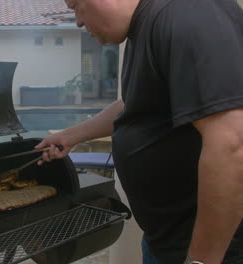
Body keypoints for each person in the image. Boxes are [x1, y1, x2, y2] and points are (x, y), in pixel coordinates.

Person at [35, 0, 243, 263]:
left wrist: (202, 259)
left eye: (75, 5)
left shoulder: (186, 13)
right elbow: (134, 103)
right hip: (166, 240)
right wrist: (71, 135)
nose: (77, 20)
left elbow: (231, 144)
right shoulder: (145, 25)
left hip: (209, 251)